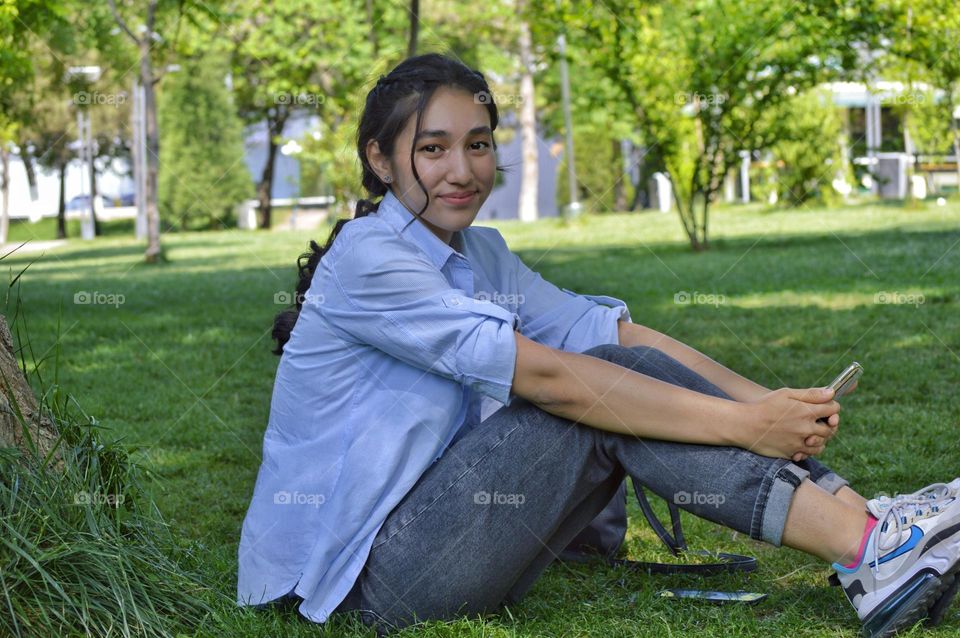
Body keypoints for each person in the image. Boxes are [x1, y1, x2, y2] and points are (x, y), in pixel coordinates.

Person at [237, 53, 960, 638]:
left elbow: (616, 334)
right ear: (382, 160)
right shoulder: (370, 257)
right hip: (370, 580)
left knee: (621, 363)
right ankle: (870, 547)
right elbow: (553, 379)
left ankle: (872, 534)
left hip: (446, 541)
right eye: (433, 149)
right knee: (589, 393)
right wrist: (746, 428)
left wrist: (767, 403)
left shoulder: (479, 252)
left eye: (479, 144)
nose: (463, 170)